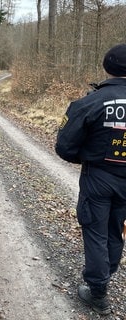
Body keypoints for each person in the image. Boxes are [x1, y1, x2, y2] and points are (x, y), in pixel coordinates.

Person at [55, 44, 126, 315]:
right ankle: (107, 271)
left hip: (98, 177)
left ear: (107, 67)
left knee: (96, 231)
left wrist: (86, 159)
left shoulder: (90, 101)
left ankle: (98, 291)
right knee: (116, 227)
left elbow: (64, 145)